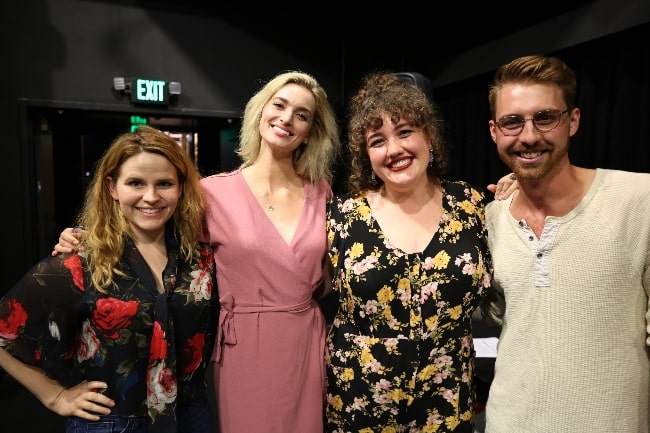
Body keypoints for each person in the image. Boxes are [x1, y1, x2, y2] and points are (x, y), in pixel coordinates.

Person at [0, 125, 217, 433]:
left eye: (164, 183)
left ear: (181, 187)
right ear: (113, 188)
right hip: (112, 423)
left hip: (192, 418)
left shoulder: (201, 260)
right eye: (136, 183)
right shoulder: (81, 261)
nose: (151, 196)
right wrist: (55, 395)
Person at [481, 54, 650, 432]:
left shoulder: (640, 200)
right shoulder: (491, 220)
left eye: (545, 117)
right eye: (512, 122)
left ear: (572, 121)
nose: (528, 136)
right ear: (494, 131)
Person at [324, 71, 493, 432]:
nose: (394, 149)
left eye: (405, 132)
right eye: (377, 140)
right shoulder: (341, 217)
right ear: (365, 155)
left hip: (447, 400)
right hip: (361, 401)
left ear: (428, 135)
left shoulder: (474, 206)